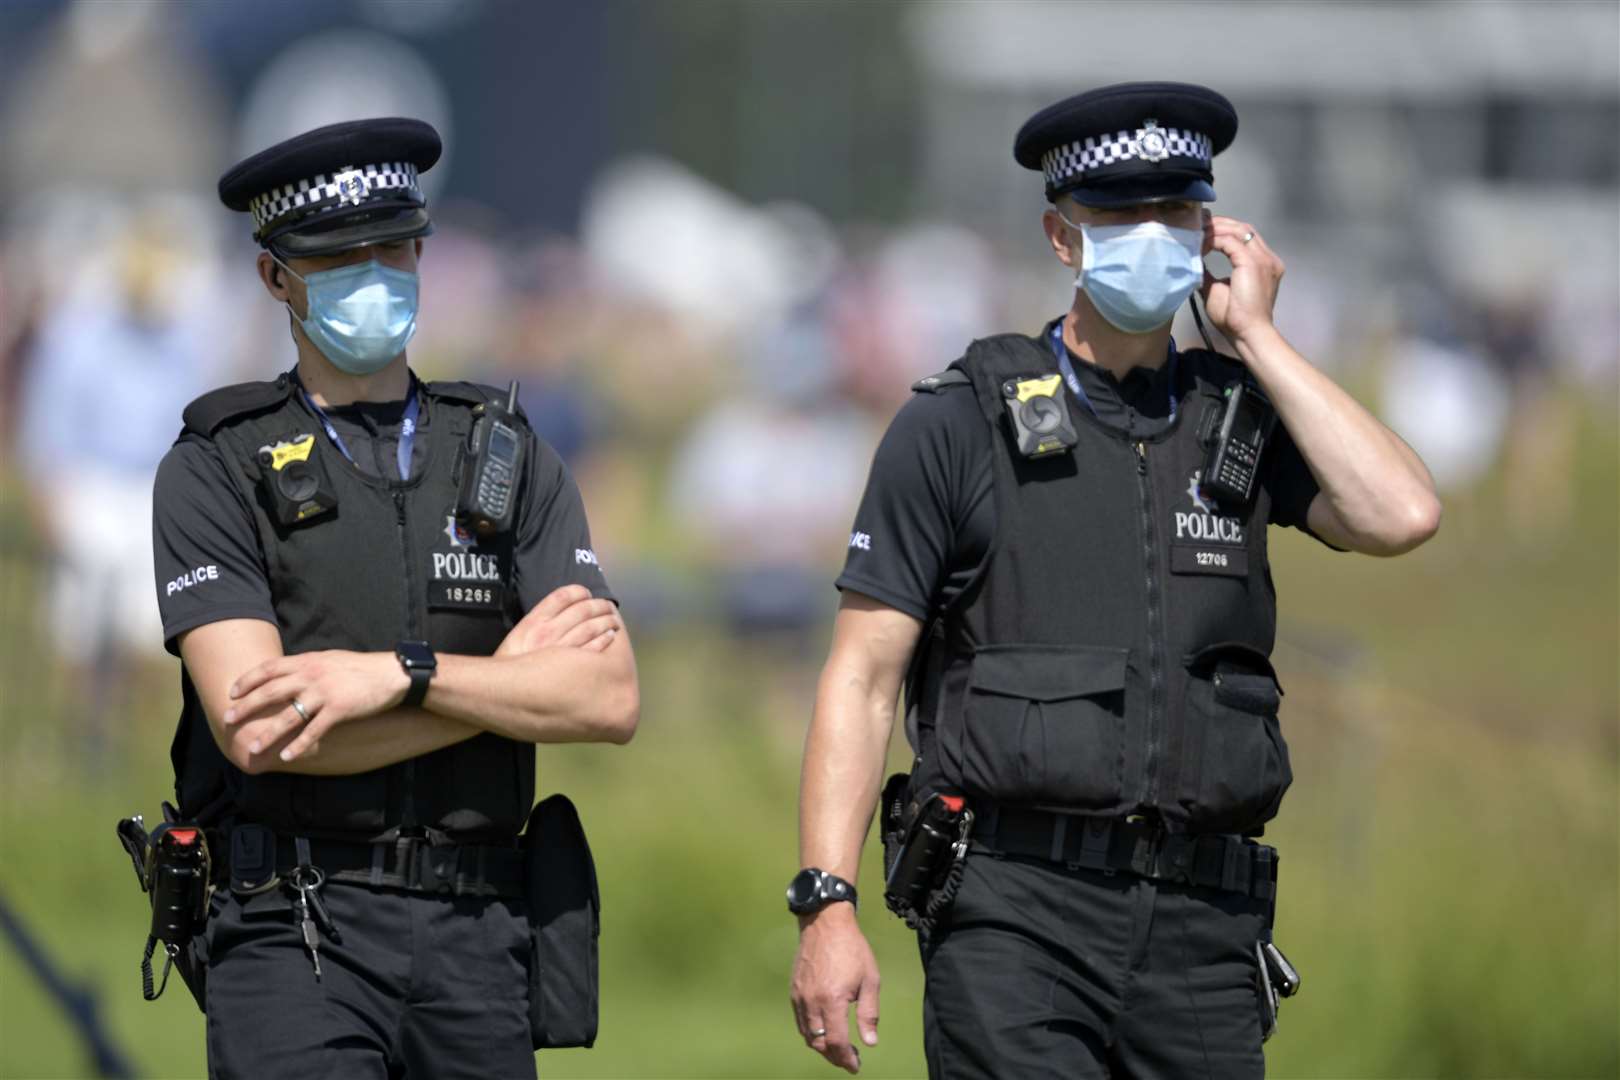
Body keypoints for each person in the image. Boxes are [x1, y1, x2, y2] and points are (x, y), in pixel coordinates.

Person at [788, 82, 1440, 1078]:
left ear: (1211, 229)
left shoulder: (1241, 420)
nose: (1152, 237)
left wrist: (1259, 341)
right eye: (1119, 216)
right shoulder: (957, 424)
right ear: (1063, 237)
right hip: (1014, 914)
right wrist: (826, 903)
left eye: (1175, 212)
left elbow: (1402, 515)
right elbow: (863, 676)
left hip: (1202, 929)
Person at [150, 118, 638, 1079]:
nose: (370, 272)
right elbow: (260, 730)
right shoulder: (216, 466)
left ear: (422, 249)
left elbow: (607, 698)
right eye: (335, 256)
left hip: (480, 935)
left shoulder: (504, 450)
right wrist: (504, 688)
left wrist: (397, 678)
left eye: (389, 246)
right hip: (295, 930)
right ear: (274, 277)